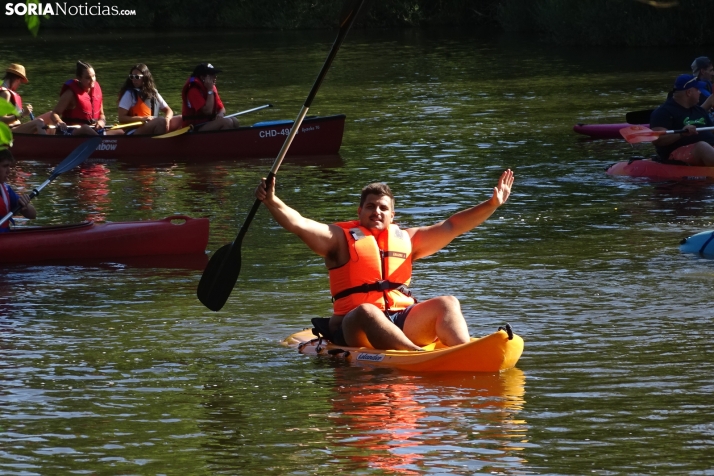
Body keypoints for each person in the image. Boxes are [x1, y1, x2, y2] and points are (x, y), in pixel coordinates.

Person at [254, 169, 515, 351]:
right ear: (360, 211)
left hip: (400, 319)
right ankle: (415, 354)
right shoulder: (338, 239)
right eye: (370, 206)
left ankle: (463, 350)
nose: (376, 212)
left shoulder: (408, 239)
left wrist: (491, 204)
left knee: (448, 302)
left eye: (383, 208)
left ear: (392, 214)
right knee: (368, 311)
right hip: (355, 327)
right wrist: (273, 201)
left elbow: (452, 226)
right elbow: (299, 224)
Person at [650, 74, 714, 166]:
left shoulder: (699, 110)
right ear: (689, 92)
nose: (700, 92)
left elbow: (710, 131)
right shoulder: (663, 112)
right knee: (702, 146)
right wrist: (681, 133)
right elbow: (657, 139)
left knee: (704, 146)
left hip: (709, 147)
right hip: (677, 153)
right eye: (697, 89)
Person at [45, 61, 123, 136]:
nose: (92, 80)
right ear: (79, 78)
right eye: (88, 78)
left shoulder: (97, 90)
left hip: (93, 131)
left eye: (94, 76)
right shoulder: (70, 93)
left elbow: (102, 114)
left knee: (121, 132)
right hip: (72, 131)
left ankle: (102, 142)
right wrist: (59, 122)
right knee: (85, 128)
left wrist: (102, 121)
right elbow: (54, 113)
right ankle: (101, 142)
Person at [117, 63, 182, 135]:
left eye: (137, 77)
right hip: (134, 130)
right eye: (132, 77)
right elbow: (121, 118)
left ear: (145, 77)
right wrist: (142, 118)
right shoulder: (129, 94)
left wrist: (167, 119)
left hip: (152, 125)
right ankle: (161, 144)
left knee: (182, 119)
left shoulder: (153, 92)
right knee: (160, 121)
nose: (134, 80)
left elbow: (168, 110)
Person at [181, 63, 239, 131]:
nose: (215, 77)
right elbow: (207, 111)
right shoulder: (193, 90)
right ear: (203, 77)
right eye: (212, 75)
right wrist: (210, 90)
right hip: (194, 127)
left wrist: (220, 114)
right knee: (227, 122)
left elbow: (222, 109)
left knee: (235, 121)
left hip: (207, 123)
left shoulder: (211, 88)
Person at [0, 63, 46, 134]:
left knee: (50, 114)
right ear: (18, 79)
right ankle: (48, 144)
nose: (19, 84)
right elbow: (1, 120)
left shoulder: (7, 92)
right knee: (39, 122)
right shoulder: (5, 93)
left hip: (16, 128)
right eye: (21, 82)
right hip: (9, 132)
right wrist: (22, 114)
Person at [0, 148, 36, 232]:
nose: (9, 171)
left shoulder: (5, 189)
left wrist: (25, 206)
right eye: (5, 166)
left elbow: (32, 214)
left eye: (9, 166)